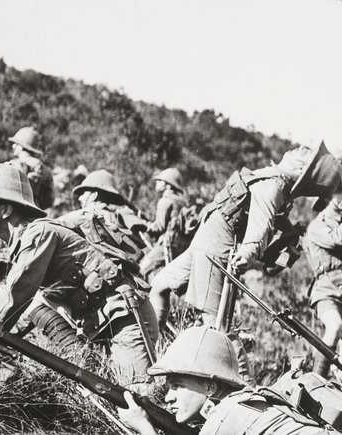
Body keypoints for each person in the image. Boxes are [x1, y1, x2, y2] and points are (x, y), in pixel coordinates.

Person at [0, 162, 158, 385]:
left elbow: (15, 294)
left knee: (137, 397)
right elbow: (28, 308)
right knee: (116, 400)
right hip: (100, 325)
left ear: (5, 210)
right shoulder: (27, 241)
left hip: (125, 317)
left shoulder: (38, 233)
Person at [150, 143, 342, 330]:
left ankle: (236, 363)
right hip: (205, 241)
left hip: (215, 248)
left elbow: (260, 229)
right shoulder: (274, 182)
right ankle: (151, 352)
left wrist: (247, 254)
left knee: (216, 325)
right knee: (159, 286)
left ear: (300, 169)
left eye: (306, 153)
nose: (299, 148)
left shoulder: (273, 187)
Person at [118, 326, 334, 434]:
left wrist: (143, 426)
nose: (169, 398)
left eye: (177, 386)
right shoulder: (247, 401)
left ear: (210, 386)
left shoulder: (226, 415)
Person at [304, 193, 342, 378]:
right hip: (327, 288)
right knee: (334, 326)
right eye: (339, 193)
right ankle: (316, 381)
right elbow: (337, 239)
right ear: (327, 198)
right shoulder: (317, 226)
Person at [56, 169, 147, 244]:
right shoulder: (118, 216)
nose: (80, 198)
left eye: (83, 194)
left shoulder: (85, 215)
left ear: (94, 195)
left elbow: (54, 226)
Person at [139, 168, 187, 282]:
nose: (157, 182)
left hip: (166, 244)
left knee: (141, 269)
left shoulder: (165, 201)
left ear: (168, 185)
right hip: (180, 246)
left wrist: (144, 225)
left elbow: (159, 227)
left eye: (160, 180)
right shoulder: (182, 200)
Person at [9, 126, 55, 210]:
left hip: (14, 213)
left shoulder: (12, 165)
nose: (13, 146)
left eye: (16, 144)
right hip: (36, 214)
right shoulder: (47, 171)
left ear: (21, 146)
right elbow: (50, 201)